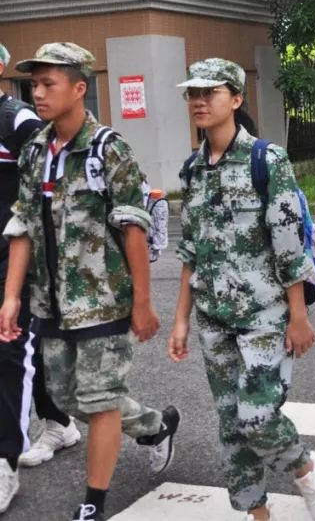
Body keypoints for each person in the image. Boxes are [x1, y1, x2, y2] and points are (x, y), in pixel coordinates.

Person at [0, 43, 179, 521]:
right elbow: (21, 225)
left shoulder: (108, 149)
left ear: (79, 89)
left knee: (99, 400)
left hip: (103, 301)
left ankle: (92, 504)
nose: (37, 93)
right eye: (33, 84)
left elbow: (133, 227)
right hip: (51, 302)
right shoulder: (35, 151)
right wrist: (12, 297)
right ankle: (154, 426)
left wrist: (143, 302)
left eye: (47, 83)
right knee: (65, 397)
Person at [166, 59, 315, 521]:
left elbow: (288, 243)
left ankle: (303, 465)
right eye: (192, 94)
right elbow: (191, 252)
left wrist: (298, 316)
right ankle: (257, 513)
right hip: (213, 318)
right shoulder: (192, 169)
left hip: (264, 315)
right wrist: (180, 319)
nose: (199, 101)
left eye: (211, 92)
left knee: (257, 417)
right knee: (231, 426)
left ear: (236, 99)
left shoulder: (267, 159)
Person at [0, 43, 79, 515]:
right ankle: (59, 420)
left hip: (17, 261)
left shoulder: (18, 120)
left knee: (11, 350)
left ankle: (3, 462)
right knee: (44, 350)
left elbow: (54, 182)